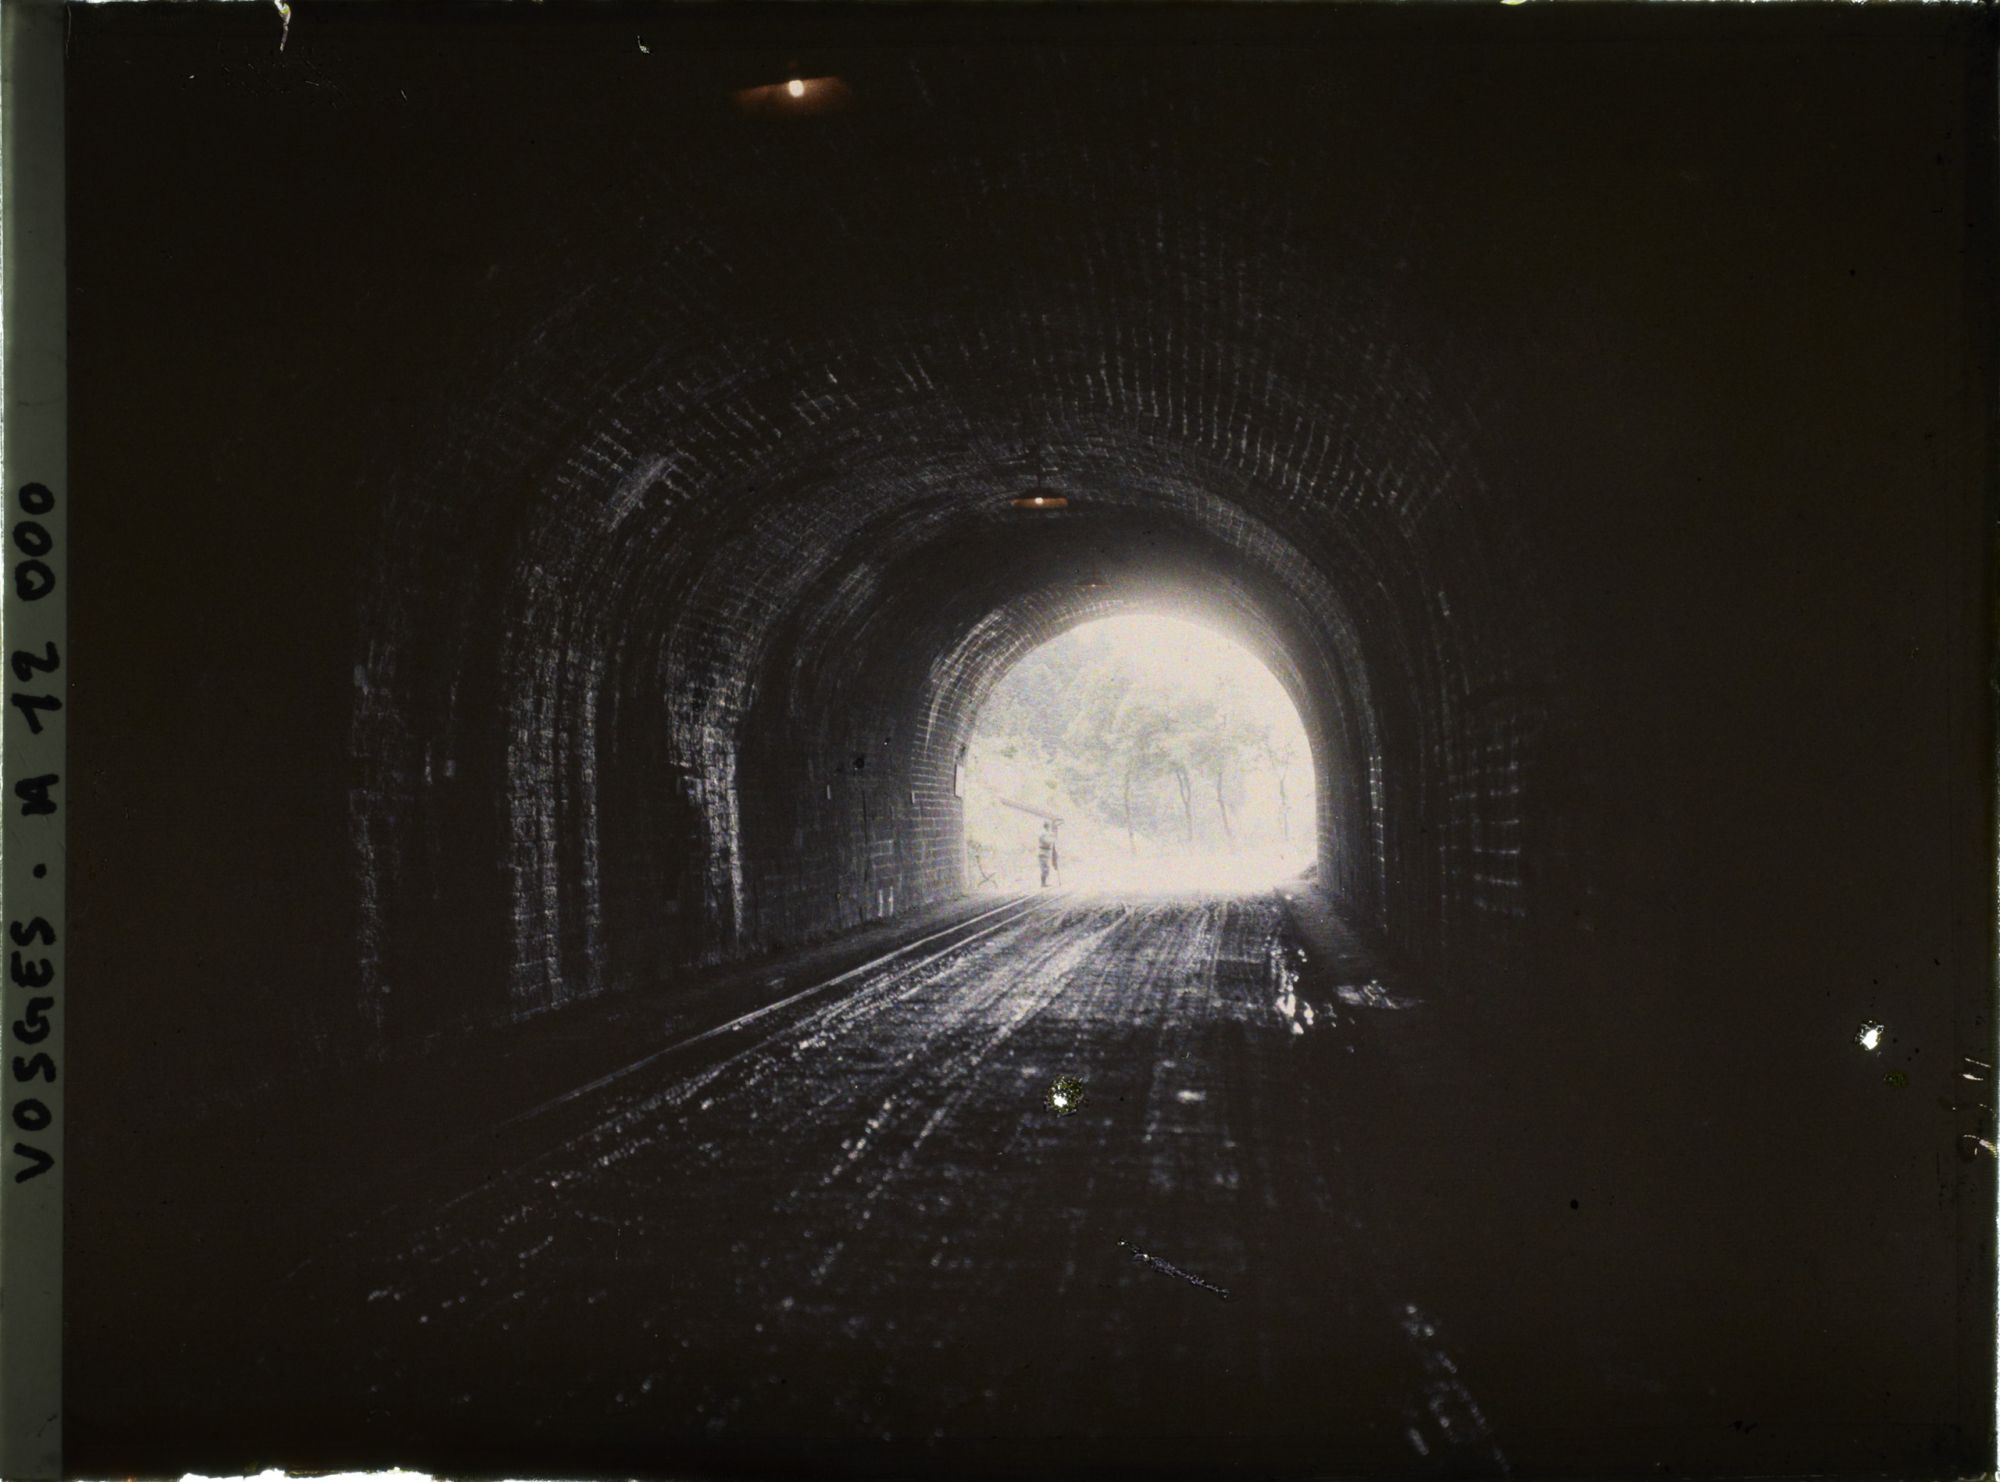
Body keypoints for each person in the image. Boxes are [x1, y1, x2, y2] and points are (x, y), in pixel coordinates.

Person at [1038, 820, 1060, 888]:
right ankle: (1043, 883)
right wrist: (1052, 839)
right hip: (1043, 851)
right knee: (1045, 867)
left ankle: (1044, 882)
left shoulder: (1046, 833)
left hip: (1046, 851)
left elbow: (1053, 838)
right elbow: (1047, 841)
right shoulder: (1043, 833)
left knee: (1046, 867)